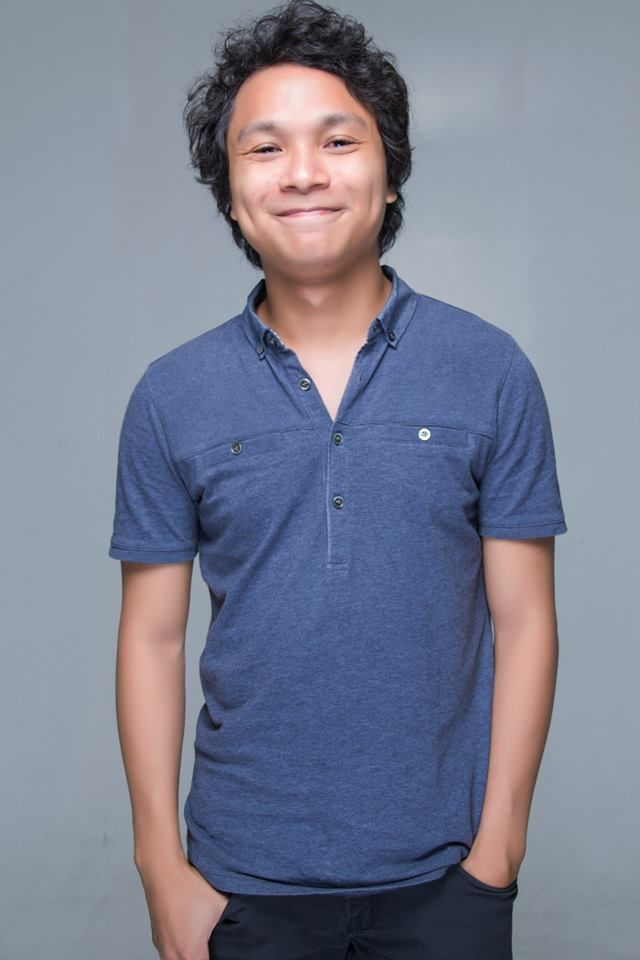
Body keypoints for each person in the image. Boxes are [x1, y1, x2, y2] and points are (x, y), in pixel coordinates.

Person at [108, 1, 568, 957]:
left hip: (447, 880)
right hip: (238, 883)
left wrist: (499, 850)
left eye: (339, 140)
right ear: (230, 194)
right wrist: (160, 865)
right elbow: (152, 638)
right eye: (264, 148)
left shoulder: (490, 371)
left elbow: (525, 620)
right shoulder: (171, 395)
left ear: (389, 174)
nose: (304, 173)